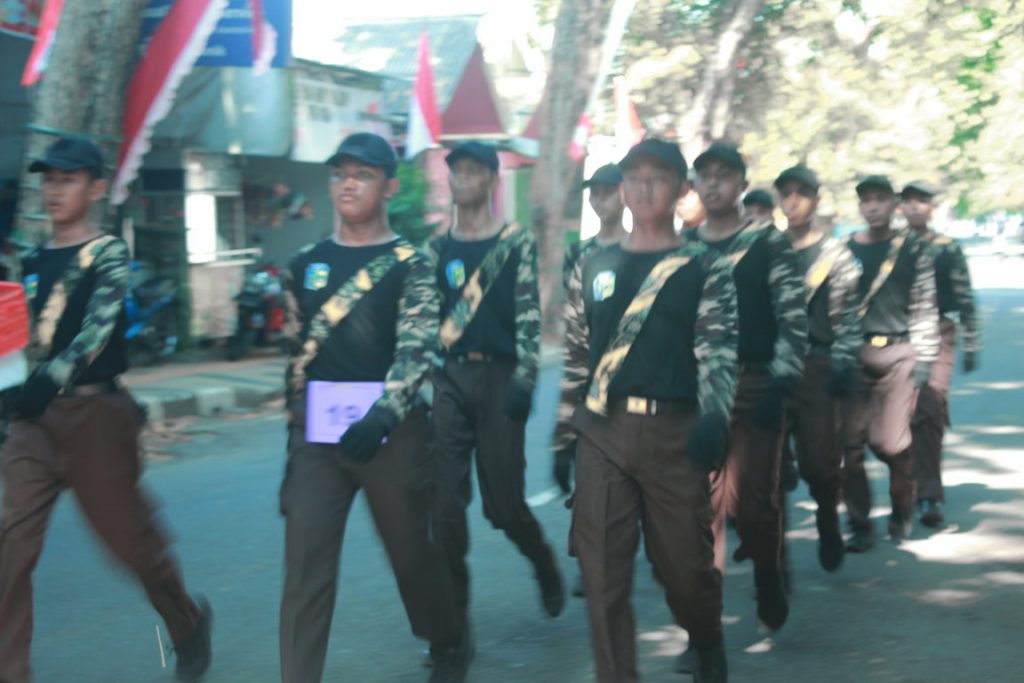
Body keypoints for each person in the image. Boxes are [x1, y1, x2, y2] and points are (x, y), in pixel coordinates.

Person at [0, 136, 212, 683]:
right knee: (10, 550)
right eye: (48, 180)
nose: (54, 190)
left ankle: (186, 624)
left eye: (67, 179)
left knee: (132, 548)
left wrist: (47, 379)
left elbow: (97, 330)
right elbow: (19, 337)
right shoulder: (31, 259)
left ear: (95, 188)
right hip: (32, 426)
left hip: (96, 418)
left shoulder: (108, 253)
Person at [277, 132, 469, 683]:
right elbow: (296, 356)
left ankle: (447, 638)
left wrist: (384, 414)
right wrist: (292, 444)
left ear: (388, 186)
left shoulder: (410, 264)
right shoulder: (305, 262)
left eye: (362, 174)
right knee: (305, 569)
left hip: (393, 433)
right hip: (318, 440)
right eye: (339, 173)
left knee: (412, 555)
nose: (348, 184)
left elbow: (417, 348)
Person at [552, 138, 736, 683]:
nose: (643, 187)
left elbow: (718, 349)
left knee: (685, 571)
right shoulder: (590, 261)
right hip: (602, 431)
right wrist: (565, 437)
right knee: (602, 574)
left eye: (658, 177)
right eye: (633, 176)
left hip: (674, 433)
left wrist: (714, 417)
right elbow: (577, 355)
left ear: (681, 190)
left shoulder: (703, 264)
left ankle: (705, 636)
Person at [430, 141, 565, 639]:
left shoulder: (515, 243)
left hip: (500, 380)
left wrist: (527, 376)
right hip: (449, 378)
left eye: (473, 171)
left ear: (491, 181)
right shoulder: (436, 249)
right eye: (456, 171)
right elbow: (425, 322)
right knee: (443, 508)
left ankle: (542, 560)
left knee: (503, 507)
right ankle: (454, 626)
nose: (462, 179)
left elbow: (530, 313)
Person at [684, 142, 807, 637]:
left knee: (756, 508)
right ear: (694, 184)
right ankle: (703, 631)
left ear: (740, 182)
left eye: (724, 175)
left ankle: (767, 572)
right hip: (699, 392)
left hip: (758, 384)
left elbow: (792, 316)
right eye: (704, 175)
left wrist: (783, 379)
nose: (713, 184)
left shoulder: (768, 242)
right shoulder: (683, 245)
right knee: (700, 513)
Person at [843, 175, 939, 552]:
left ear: (893, 204)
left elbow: (924, 306)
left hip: (899, 354)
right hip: (853, 354)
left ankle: (903, 503)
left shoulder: (913, 249)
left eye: (880, 199)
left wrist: (924, 363)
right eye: (866, 200)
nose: (872, 206)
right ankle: (859, 524)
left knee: (891, 443)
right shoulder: (844, 248)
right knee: (848, 447)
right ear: (859, 206)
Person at [775, 164, 862, 571]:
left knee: (819, 467)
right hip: (772, 371)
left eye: (801, 193)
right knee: (767, 469)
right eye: (786, 192)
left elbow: (847, 320)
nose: (792, 200)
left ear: (817, 200)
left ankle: (828, 516)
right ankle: (775, 558)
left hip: (817, 369)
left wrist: (842, 364)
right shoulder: (767, 249)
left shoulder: (835, 256)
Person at [900, 180, 980, 528]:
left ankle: (928, 495)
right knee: (895, 419)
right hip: (896, 337)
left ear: (933, 207)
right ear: (900, 206)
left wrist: (973, 342)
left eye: (922, 201)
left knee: (929, 409)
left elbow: (964, 297)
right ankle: (902, 491)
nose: (915, 206)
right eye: (909, 201)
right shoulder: (891, 246)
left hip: (940, 333)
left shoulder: (948, 248)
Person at [560, 163, 628, 292]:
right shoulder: (576, 252)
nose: (600, 200)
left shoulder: (637, 250)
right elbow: (571, 301)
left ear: (623, 194)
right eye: (595, 193)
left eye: (607, 192)